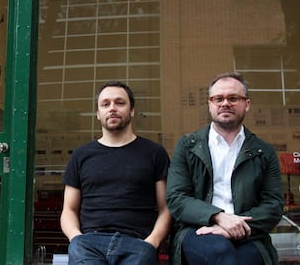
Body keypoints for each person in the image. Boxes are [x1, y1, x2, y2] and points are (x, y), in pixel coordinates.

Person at [166, 72, 285, 265]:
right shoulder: (187, 146)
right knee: (220, 251)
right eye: (218, 98)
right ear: (210, 104)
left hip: (250, 231)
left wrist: (233, 227)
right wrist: (218, 217)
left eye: (233, 98)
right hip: (197, 228)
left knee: (246, 259)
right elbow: (176, 198)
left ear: (247, 104)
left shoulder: (264, 151)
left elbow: (274, 204)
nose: (225, 103)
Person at [60, 80, 171, 264]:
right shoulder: (81, 155)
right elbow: (69, 209)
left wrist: (152, 242)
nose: (112, 108)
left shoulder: (154, 153)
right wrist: (76, 238)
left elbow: (165, 208)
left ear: (132, 110)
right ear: (98, 113)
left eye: (120, 103)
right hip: (88, 243)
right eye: (105, 104)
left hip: (137, 244)